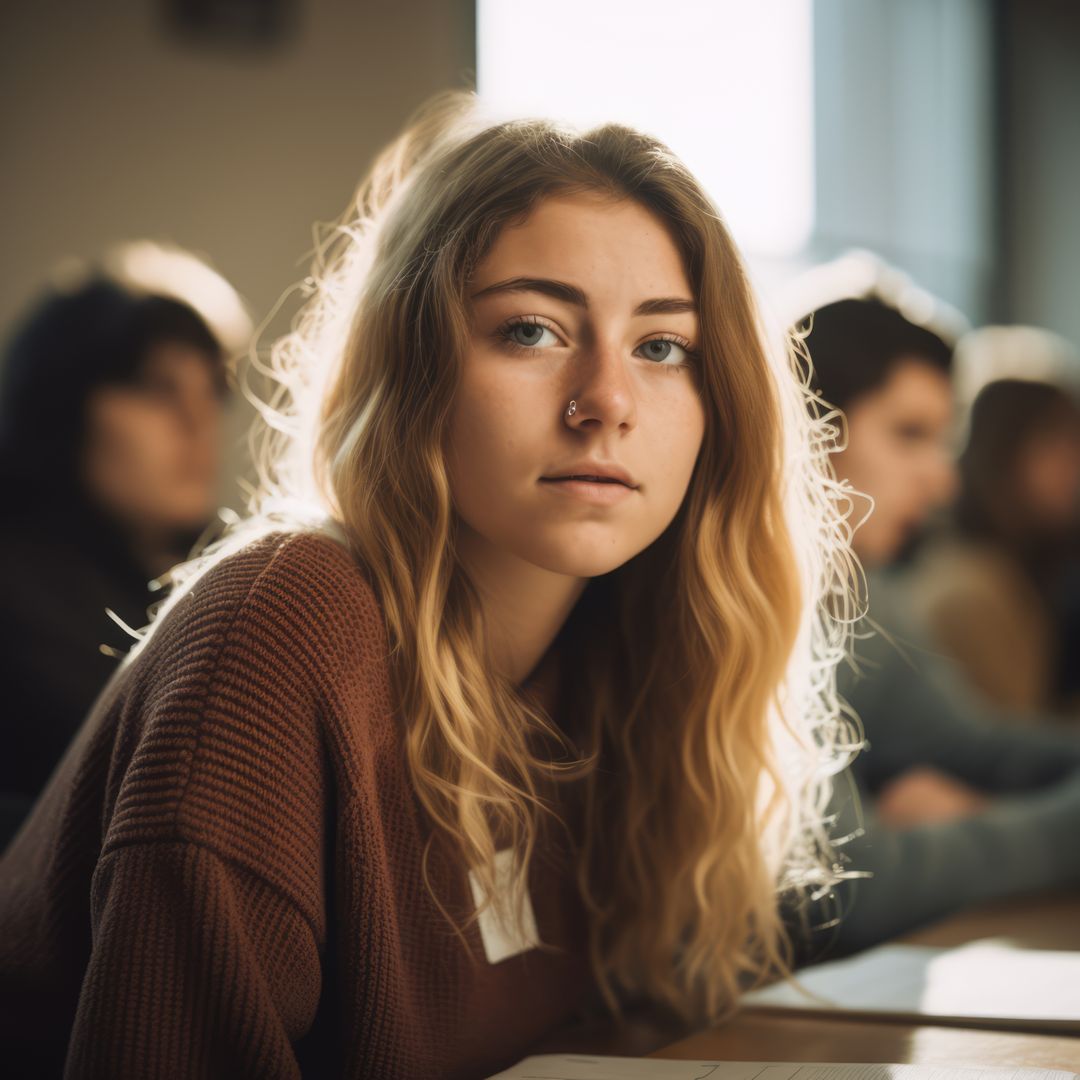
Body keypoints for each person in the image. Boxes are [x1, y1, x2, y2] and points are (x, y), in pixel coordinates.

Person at [0, 93, 854, 1079]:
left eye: (662, 347)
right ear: (412, 365)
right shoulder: (279, 626)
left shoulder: (629, 663)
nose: (607, 402)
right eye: (531, 330)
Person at [796, 294, 1080, 956]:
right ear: (805, 428)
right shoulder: (740, 610)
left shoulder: (860, 596)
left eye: (942, 442)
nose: (942, 484)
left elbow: (975, 744)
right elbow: (843, 885)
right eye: (908, 434)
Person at [0, 274, 231, 847]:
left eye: (211, 392)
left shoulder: (218, 581)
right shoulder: (17, 592)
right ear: (63, 406)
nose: (197, 422)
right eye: (159, 388)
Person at [910, 375, 1080, 714]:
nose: (1074, 464)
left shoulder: (1031, 567)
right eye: (1060, 444)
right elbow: (1012, 745)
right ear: (1004, 451)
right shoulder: (970, 590)